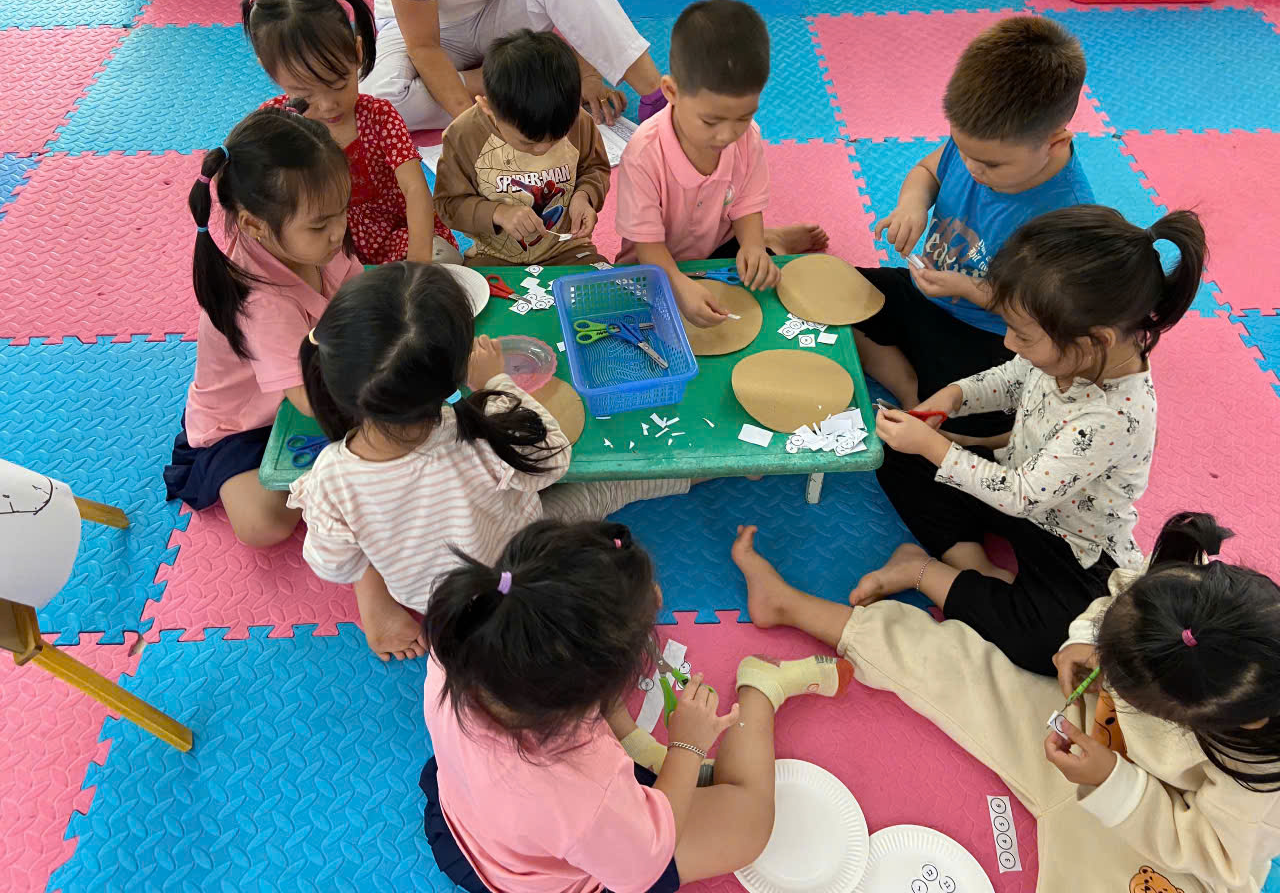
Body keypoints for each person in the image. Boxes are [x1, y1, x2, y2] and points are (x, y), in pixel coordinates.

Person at [732, 512, 1280, 893]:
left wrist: (1113, 781)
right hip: (1087, 732)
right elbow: (1119, 599)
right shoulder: (1185, 597)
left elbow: (1216, 856)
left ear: (1189, 716)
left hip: (1158, 834)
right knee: (961, 671)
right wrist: (1084, 641)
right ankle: (789, 605)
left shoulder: (1260, 781)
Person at [860, 205, 1207, 674]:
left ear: (1096, 340)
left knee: (1059, 643)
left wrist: (935, 446)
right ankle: (975, 570)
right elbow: (1009, 379)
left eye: (1022, 335)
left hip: (1073, 541)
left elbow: (1022, 495)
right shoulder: (1074, 350)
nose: (1008, 343)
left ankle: (923, 572)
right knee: (894, 454)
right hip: (1013, 480)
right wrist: (949, 399)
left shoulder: (1114, 417)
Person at [420, 518, 854, 893]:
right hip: (540, 874)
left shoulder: (460, 642)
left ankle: (633, 741)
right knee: (749, 824)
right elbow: (643, 864)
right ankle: (760, 688)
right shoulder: (586, 797)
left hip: (466, 826)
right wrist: (688, 745)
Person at [287, 262, 690, 661]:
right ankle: (691, 478)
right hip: (524, 566)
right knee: (599, 490)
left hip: (442, 604)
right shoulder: (475, 433)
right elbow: (555, 461)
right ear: (457, 370)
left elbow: (334, 565)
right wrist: (495, 383)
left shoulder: (329, 477)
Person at [857, 16, 1094, 437]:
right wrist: (912, 206)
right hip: (925, 295)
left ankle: (922, 400)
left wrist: (966, 288)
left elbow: (1041, 315)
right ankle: (911, 391)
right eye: (963, 150)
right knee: (829, 294)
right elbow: (927, 170)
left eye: (990, 165)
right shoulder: (981, 144)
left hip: (988, 333)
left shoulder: (1066, 217)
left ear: (1055, 143)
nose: (971, 168)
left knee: (978, 413)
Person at [163, 108, 363, 548]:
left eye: (342, 213)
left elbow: (362, 296)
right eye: (320, 224)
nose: (338, 232)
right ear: (254, 224)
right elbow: (310, 401)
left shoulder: (316, 244)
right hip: (243, 422)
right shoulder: (261, 301)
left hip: (300, 387)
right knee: (264, 526)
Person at [615, 0, 828, 328]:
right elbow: (648, 245)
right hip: (652, 263)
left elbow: (746, 205)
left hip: (716, 249)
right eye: (711, 121)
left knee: (760, 279)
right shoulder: (643, 154)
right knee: (637, 318)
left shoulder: (748, 138)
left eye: (743, 117)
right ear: (671, 91)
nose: (728, 135)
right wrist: (678, 283)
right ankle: (772, 239)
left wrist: (753, 247)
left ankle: (768, 240)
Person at [243, 0, 460, 267]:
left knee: (443, 261)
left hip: (395, 238)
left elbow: (415, 190)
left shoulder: (378, 116)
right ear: (271, 73)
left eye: (338, 84)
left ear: (357, 53)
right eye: (305, 95)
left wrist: (418, 265)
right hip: (321, 247)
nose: (328, 105)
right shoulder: (274, 123)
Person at [362, 0, 668, 132]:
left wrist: (588, 76)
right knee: (376, 104)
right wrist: (476, 126)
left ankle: (658, 96)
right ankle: (531, 75)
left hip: (497, 13)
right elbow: (423, 46)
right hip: (423, 29)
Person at [434, 29, 610, 266]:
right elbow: (448, 204)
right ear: (488, 107)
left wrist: (584, 196)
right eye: (528, 143)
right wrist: (498, 213)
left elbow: (595, 169)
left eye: (556, 139)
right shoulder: (464, 135)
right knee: (466, 289)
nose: (543, 149)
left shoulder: (579, 122)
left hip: (568, 249)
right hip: (494, 256)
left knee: (600, 283)